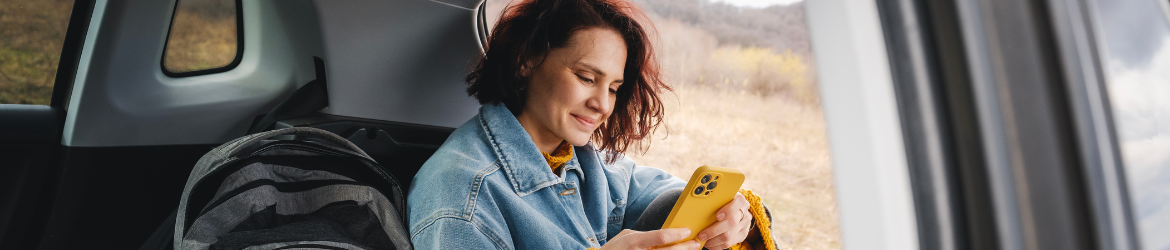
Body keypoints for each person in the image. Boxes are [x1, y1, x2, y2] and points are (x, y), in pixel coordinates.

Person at [407, 0, 776, 249]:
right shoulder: (461, 198)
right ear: (525, 61)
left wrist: (733, 214)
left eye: (614, 88)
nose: (602, 104)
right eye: (586, 77)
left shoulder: (581, 158)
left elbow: (655, 191)